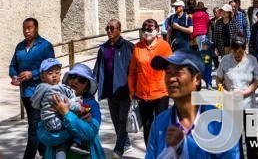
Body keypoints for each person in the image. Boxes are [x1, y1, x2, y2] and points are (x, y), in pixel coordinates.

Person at [146, 49, 240, 158]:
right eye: (168, 72)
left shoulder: (220, 124)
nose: (171, 79)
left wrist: (184, 146)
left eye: (178, 72)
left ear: (197, 79)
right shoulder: (159, 124)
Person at [37, 63, 105, 159]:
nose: (75, 81)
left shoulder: (92, 105)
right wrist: (73, 130)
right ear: (68, 79)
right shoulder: (53, 98)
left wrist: (66, 113)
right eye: (73, 76)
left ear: (87, 87)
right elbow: (44, 136)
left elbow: (90, 132)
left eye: (81, 80)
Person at [9, 17, 55, 159]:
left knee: (34, 127)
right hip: (25, 93)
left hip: (40, 92)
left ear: (36, 28)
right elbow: (13, 66)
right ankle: (45, 152)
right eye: (24, 28)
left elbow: (51, 68)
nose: (26, 31)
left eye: (29, 28)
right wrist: (14, 76)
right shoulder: (19, 47)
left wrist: (32, 74)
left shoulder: (45, 46)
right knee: (35, 124)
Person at [216, 34, 258, 159]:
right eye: (235, 51)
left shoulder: (252, 60)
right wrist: (225, 93)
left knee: (251, 138)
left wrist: (245, 92)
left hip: (249, 104)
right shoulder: (225, 60)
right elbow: (218, 80)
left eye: (240, 52)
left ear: (245, 48)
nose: (237, 54)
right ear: (231, 49)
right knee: (235, 138)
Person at [93, 18, 134, 158]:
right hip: (109, 90)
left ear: (119, 30)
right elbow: (97, 69)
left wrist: (134, 89)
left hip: (124, 90)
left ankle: (119, 149)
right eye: (107, 28)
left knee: (123, 120)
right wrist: (91, 86)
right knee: (116, 120)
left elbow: (134, 69)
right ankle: (126, 142)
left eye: (112, 28)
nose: (109, 31)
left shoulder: (128, 47)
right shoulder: (103, 48)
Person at [128, 18, 172, 145]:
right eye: (144, 30)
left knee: (161, 126)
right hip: (143, 95)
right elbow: (132, 71)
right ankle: (150, 152)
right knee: (147, 127)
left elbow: (171, 68)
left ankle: (162, 151)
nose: (146, 32)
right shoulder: (137, 47)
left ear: (157, 30)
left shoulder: (164, 46)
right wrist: (132, 90)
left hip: (161, 93)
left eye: (150, 29)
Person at [31, 58, 85, 159]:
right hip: (56, 122)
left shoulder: (41, 88)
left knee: (60, 145)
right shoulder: (52, 89)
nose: (54, 75)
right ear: (42, 77)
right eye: (50, 73)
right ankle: (77, 143)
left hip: (49, 122)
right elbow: (64, 103)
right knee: (76, 125)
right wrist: (78, 106)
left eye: (57, 72)